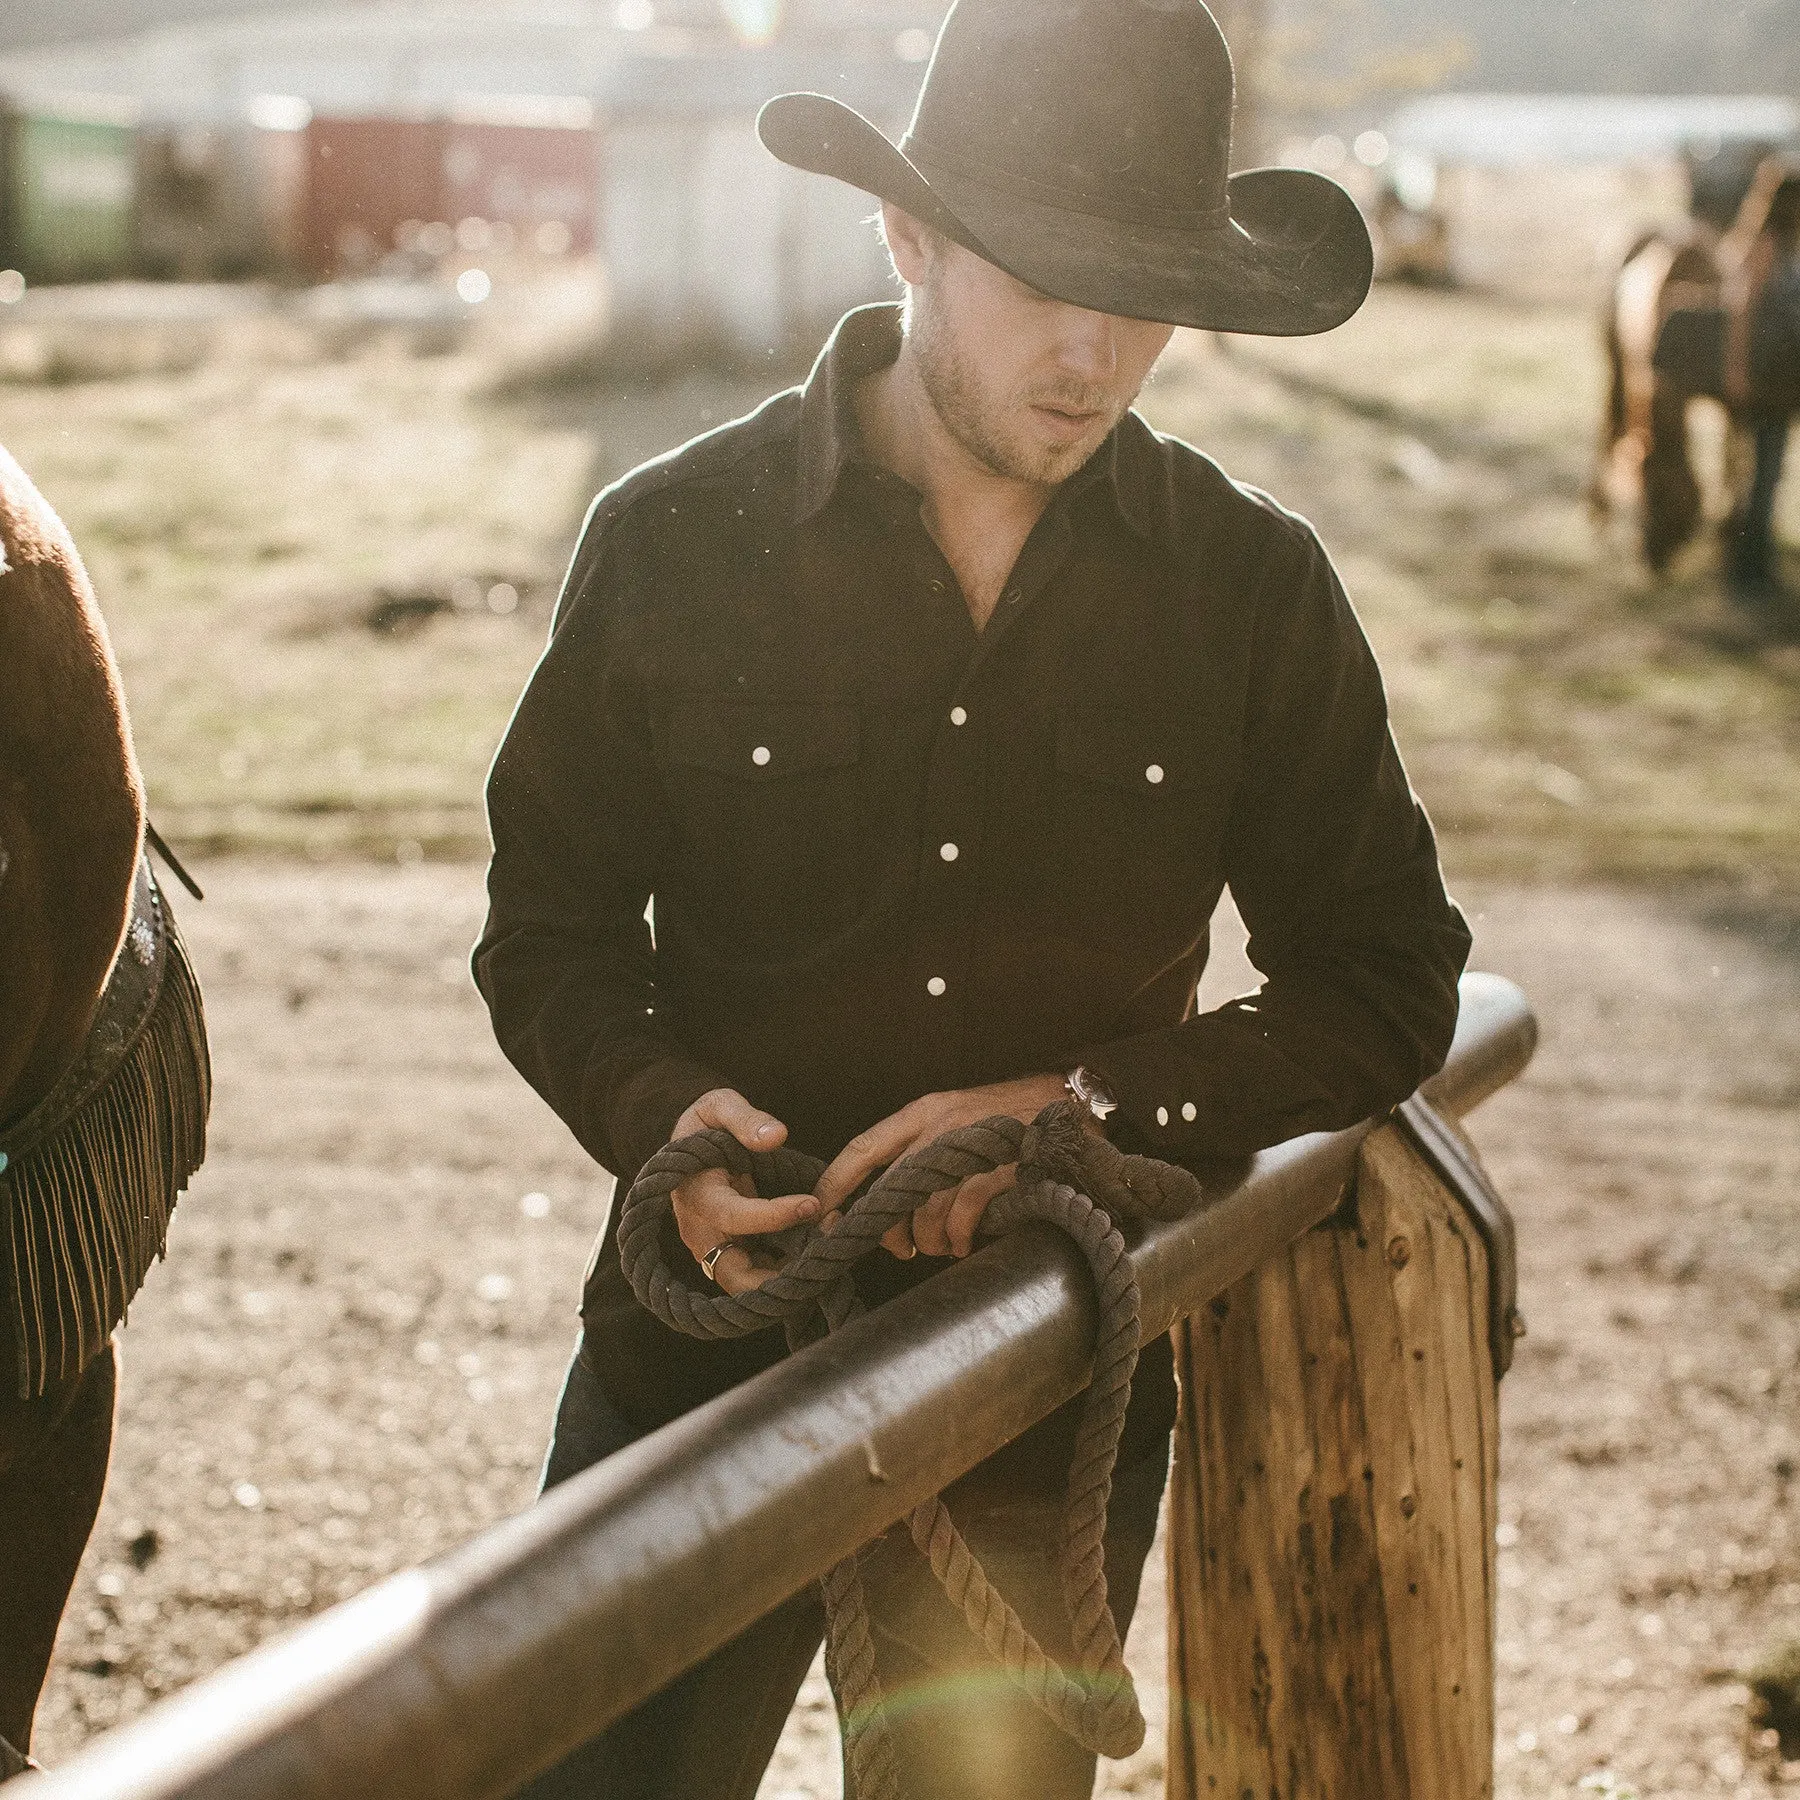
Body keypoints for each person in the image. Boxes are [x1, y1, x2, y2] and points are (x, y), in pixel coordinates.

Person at [473, 1, 1472, 1794]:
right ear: (908, 234)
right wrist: (655, 1119)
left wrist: (1079, 1115)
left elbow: (1391, 978)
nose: (1096, 352)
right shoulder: (667, 543)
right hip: (699, 1358)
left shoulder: (1250, 591)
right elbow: (546, 931)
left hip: (1040, 1377)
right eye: (1040, 279)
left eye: (1147, 293)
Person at [1724, 163, 1800, 602]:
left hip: (1784, 377)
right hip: (1764, 377)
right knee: (1762, 470)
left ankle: (1758, 555)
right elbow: (1742, 310)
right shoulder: (1767, 244)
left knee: (1771, 469)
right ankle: (1749, 563)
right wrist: (1738, 369)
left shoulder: (1791, 247)